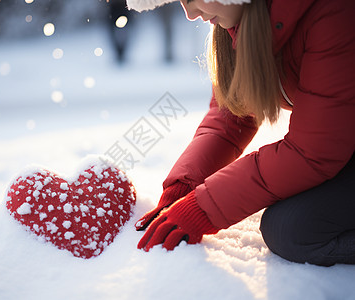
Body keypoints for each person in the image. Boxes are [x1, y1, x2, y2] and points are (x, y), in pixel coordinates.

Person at [126, 0, 355, 266]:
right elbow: (230, 118)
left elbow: (312, 153)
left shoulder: (332, 11)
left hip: (334, 148)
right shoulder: (241, 25)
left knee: (292, 231)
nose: (189, 14)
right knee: (292, 225)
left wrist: (203, 208)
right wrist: (184, 187)